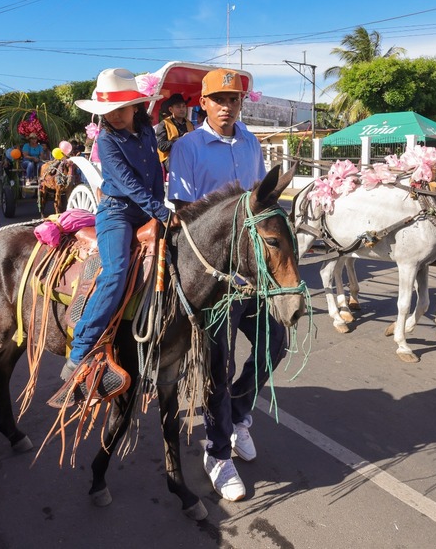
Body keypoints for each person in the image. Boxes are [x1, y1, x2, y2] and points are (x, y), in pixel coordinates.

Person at [167, 68, 287, 502]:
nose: (226, 106)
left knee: (276, 341)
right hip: (213, 274)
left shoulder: (252, 142)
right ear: (203, 103)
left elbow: (260, 202)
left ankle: (237, 417)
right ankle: (217, 453)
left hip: (248, 272)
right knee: (219, 364)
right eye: (218, 99)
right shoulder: (188, 146)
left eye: (233, 99)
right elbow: (182, 213)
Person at [60, 68, 173, 381]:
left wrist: (160, 209)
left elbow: (152, 176)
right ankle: (81, 345)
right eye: (108, 111)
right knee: (116, 271)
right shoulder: (107, 140)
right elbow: (127, 185)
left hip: (148, 208)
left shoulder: (148, 130)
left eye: (120, 109)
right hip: (117, 211)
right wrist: (161, 213)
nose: (114, 116)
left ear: (135, 106)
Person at [154, 93, 193, 171]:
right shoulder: (164, 124)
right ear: (171, 109)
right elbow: (161, 146)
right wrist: (180, 140)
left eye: (183, 106)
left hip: (189, 156)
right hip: (170, 158)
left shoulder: (190, 124)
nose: (182, 109)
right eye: (178, 107)